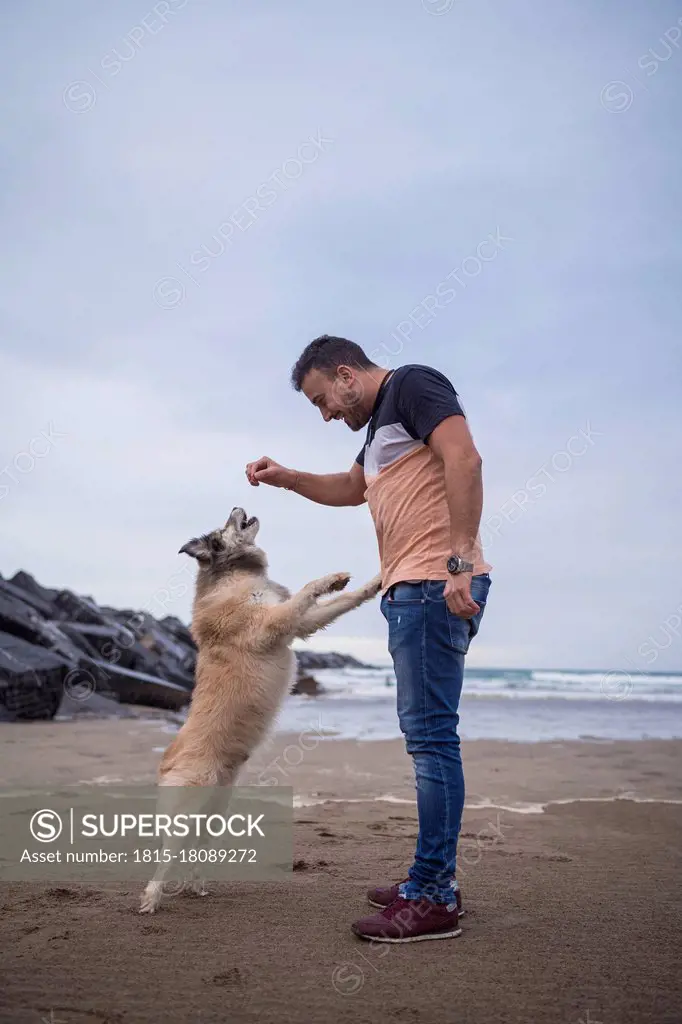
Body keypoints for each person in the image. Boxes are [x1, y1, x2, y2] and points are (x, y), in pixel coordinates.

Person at [245, 335, 492, 942]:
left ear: (347, 375)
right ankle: (426, 880)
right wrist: (286, 478)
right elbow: (350, 490)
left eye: (321, 399)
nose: (326, 412)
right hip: (414, 591)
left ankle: (434, 896)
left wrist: (457, 561)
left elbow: (465, 459)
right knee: (427, 738)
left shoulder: (412, 384)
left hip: (435, 584)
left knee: (432, 741)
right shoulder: (381, 427)